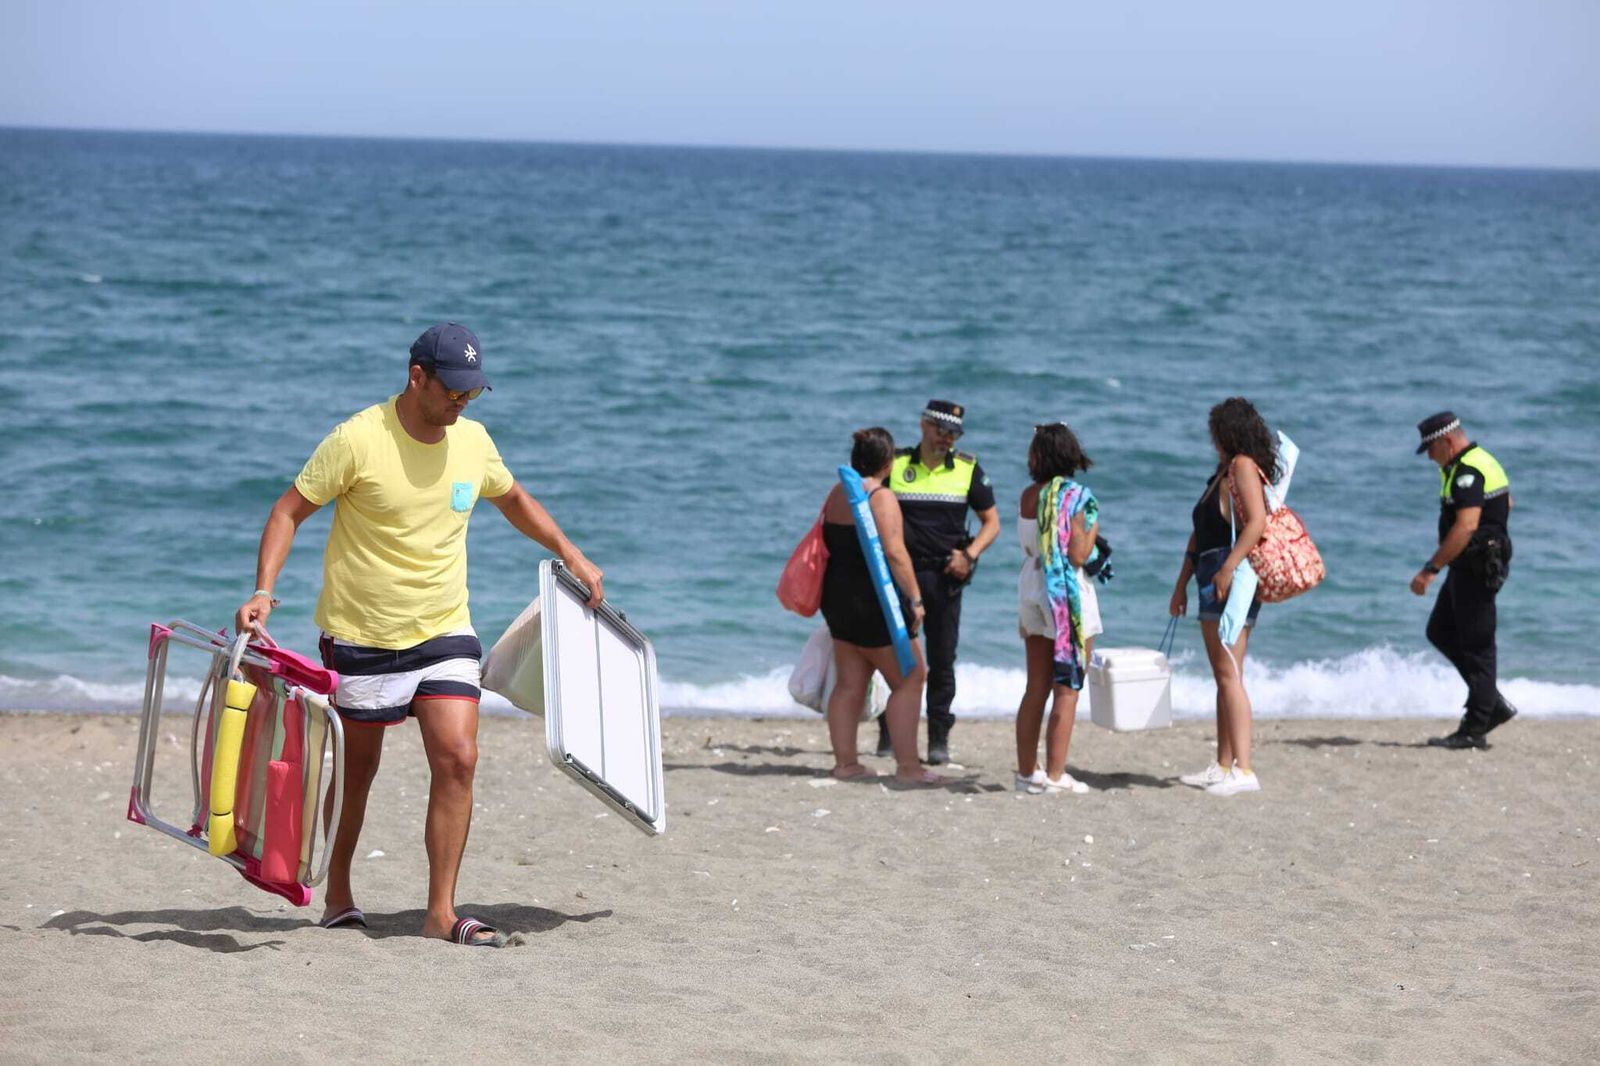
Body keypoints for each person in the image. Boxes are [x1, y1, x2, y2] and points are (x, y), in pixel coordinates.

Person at [234, 322, 604, 947]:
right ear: (417, 378)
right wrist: (263, 590)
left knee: (458, 758)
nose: (462, 401)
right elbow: (287, 511)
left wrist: (569, 550)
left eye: (473, 391)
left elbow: (511, 497)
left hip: (445, 628)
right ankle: (340, 890)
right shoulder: (357, 439)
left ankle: (439, 911)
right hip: (362, 634)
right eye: (453, 389)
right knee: (359, 773)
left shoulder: (474, 442)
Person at [875, 400, 1001, 765]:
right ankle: (888, 733)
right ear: (923, 425)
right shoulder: (896, 464)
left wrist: (970, 554)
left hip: (946, 577)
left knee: (943, 660)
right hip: (902, 576)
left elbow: (992, 523)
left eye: (954, 432)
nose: (947, 437)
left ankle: (938, 739)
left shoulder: (967, 468)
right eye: (941, 429)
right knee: (894, 657)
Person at [819, 428, 943, 785]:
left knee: (848, 684)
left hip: (838, 600)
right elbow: (894, 552)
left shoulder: (838, 493)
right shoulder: (881, 497)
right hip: (874, 603)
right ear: (888, 463)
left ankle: (846, 764)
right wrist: (916, 598)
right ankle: (908, 768)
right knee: (911, 678)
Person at [1169, 397, 1273, 796]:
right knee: (1223, 674)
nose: (1212, 439)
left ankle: (1244, 771)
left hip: (1231, 577)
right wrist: (1181, 584)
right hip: (1211, 576)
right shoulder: (1222, 473)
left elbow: (1258, 522)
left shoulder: (1243, 466)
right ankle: (1223, 764)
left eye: (1216, 431)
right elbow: (1199, 536)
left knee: (1230, 672)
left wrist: (1228, 568)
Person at [1411, 411, 1516, 750]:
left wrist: (1430, 569)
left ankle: (1476, 726)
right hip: (1470, 564)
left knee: (1479, 648)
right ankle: (1490, 703)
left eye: (1431, 448)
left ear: (1447, 441)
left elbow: (1466, 525)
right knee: (1439, 630)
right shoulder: (1478, 461)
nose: (1429, 456)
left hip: (1476, 567)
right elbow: (1507, 501)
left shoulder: (1467, 471)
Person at [1014, 423, 1103, 795]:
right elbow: (1079, 554)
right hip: (1066, 594)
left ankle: (1025, 774)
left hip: (1032, 586)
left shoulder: (1028, 496)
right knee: (1067, 687)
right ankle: (1054, 775)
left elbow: (1029, 545)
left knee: (1036, 685)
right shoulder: (1080, 497)